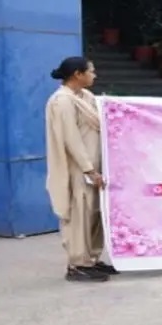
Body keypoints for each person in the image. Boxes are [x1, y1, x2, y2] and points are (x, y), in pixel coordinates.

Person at [45, 56, 117, 282]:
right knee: (80, 215)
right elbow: (70, 138)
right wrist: (88, 169)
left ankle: (92, 259)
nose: (94, 75)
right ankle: (77, 264)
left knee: (95, 214)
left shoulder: (86, 97)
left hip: (96, 166)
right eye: (91, 71)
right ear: (78, 74)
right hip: (78, 169)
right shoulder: (62, 101)